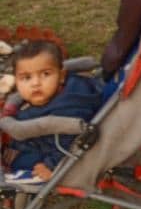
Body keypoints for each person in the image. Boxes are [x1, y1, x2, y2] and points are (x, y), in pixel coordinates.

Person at [5, 40, 102, 183]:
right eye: (26, 78)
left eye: (45, 74)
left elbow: (71, 143)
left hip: (48, 151)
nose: (35, 83)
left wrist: (51, 165)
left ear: (61, 75)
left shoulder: (68, 111)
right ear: (16, 81)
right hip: (39, 136)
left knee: (18, 163)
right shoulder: (69, 85)